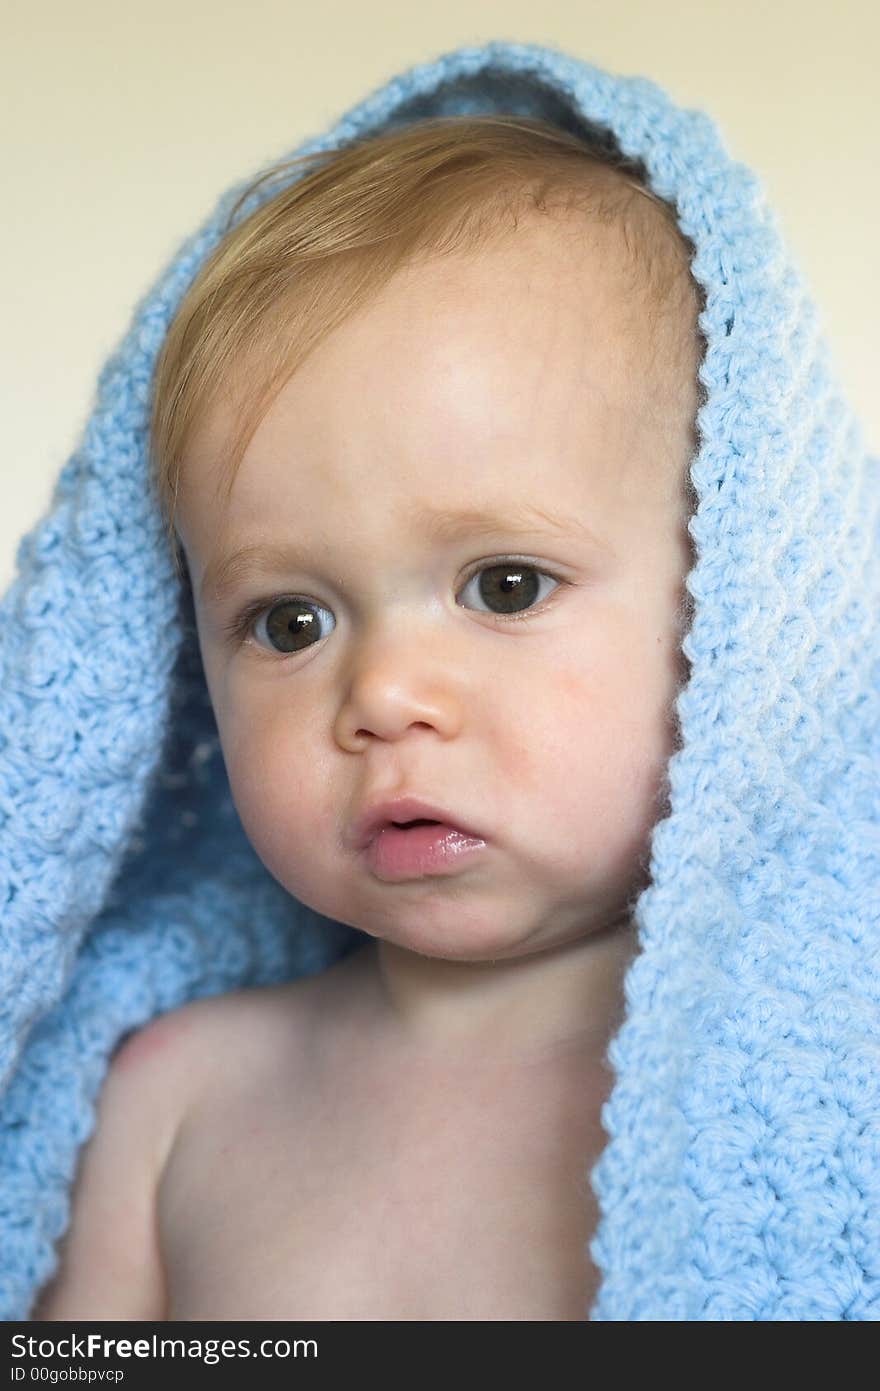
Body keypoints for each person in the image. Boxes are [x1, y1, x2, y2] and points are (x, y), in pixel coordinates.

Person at [4, 41, 877, 1323]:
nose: (383, 694)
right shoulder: (173, 1102)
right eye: (289, 618)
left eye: (504, 586)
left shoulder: (830, 1088)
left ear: (736, 613)